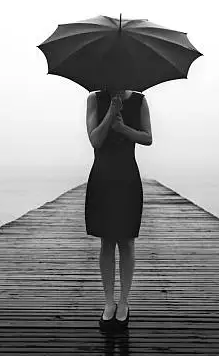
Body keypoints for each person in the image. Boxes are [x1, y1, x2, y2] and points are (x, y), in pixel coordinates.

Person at [84, 87, 153, 330]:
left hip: (127, 177)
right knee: (107, 241)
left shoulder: (139, 101)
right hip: (103, 175)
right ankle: (109, 302)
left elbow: (148, 138)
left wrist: (123, 128)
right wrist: (111, 112)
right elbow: (95, 140)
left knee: (126, 241)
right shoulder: (95, 99)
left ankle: (124, 302)